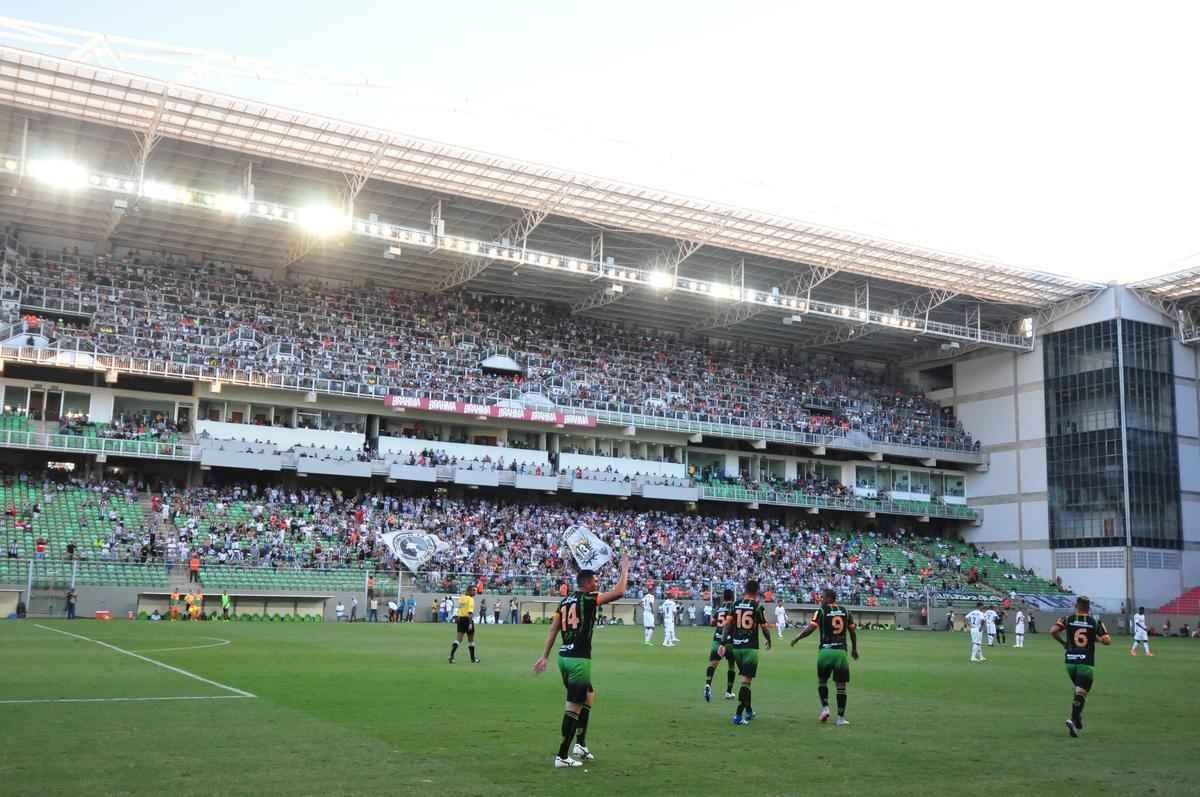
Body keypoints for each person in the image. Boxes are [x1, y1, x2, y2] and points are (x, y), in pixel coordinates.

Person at [533, 552, 630, 768]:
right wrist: (625, 568)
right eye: (595, 581)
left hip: (564, 658)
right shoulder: (588, 598)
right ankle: (562, 755)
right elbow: (620, 592)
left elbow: (553, 629)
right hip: (578, 660)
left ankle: (580, 744)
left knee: (589, 695)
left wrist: (544, 656)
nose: (598, 583)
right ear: (586, 584)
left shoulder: (564, 602)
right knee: (573, 706)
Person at [790, 588, 859, 726]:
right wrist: (854, 649)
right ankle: (840, 718)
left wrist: (798, 637)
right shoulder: (846, 611)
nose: (821, 599)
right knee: (841, 686)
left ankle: (825, 708)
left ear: (828, 598)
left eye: (822, 597)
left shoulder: (821, 611)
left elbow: (811, 628)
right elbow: (852, 631)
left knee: (822, 681)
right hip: (840, 652)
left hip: (826, 652)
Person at [1050, 596, 1111, 737]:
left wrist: (1063, 643)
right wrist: (1096, 638)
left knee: (1079, 691)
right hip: (1085, 662)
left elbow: (1053, 631)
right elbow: (1107, 641)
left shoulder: (1067, 619)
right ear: (1089, 608)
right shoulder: (1094, 621)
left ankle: (1077, 719)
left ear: (1076, 606)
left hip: (1070, 661)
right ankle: (1073, 719)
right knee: (1081, 692)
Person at [719, 578, 772, 726]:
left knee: (746, 681)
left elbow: (727, 625)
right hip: (750, 648)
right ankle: (738, 716)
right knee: (746, 682)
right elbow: (764, 627)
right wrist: (769, 639)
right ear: (756, 591)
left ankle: (749, 711)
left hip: (736, 648)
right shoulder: (757, 606)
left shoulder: (735, 604)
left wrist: (723, 643)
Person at [704, 588, 737, 703]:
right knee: (731, 665)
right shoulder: (733, 607)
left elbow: (712, 622)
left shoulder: (719, 608)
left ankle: (708, 685)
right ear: (732, 597)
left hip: (716, 639)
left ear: (724, 597)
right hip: (729, 640)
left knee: (713, 664)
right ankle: (728, 691)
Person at [448, 586, 479, 664]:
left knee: (458, 639)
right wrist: (470, 624)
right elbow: (470, 612)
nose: (475, 592)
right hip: (467, 619)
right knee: (471, 640)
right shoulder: (471, 599)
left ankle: (451, 656)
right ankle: (473, 659)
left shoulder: (462, 598)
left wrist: (458, 618)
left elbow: (460, 608)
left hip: (460, 619)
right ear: (469, 591)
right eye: (473, 590)